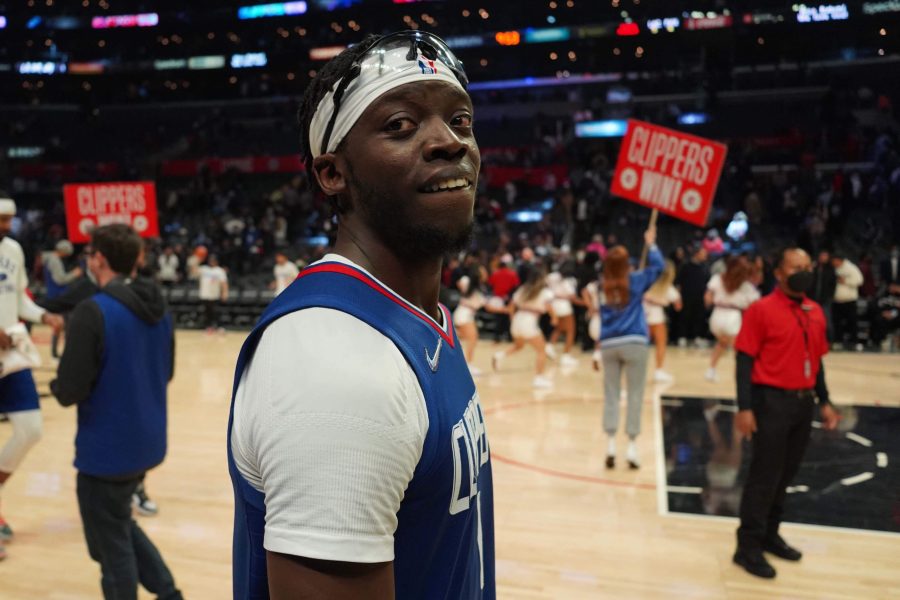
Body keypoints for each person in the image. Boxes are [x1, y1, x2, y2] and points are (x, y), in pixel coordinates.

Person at [228, 31, 494, 599]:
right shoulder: (334, 365)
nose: (448, 142)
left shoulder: (418, 317)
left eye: (461, 121)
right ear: (333, 173)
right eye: (401, 125)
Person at [50, 224, 182, 598]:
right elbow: (167, 372)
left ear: (99, 260)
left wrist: (56, 384)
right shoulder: (160, 308)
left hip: (106, 451)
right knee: (118, 525)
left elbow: (69, 391)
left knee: (111, 551)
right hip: (147, 441)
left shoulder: (93, 310)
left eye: (90, 254)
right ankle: (169, 594)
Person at [732, 247, 840, 579]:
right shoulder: (761, 309)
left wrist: (825, 400)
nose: (803, 272)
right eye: (796, 267)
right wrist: (745, 407)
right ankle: (747, 546)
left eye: (807, 266)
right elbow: (744, 360)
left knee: (786, 474)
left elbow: (816, 360)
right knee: (764, 475)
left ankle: (770, 534)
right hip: (770, 401)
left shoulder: (815, 311)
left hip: (803, 402)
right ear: (779, 273)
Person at [0, 196, 64, 561]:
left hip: (11, 352)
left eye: (9, 220)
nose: (6, 226)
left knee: (31, 429)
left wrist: (43, 315)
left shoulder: (13, 249)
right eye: (1, 220)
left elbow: (18, 300)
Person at [599, 227, 663, 469]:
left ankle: (610, 445)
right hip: (635, 341)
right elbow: (659, 268)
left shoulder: (599, 287)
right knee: (635, 394)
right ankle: (632, 448)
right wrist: (651, 244)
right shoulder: (635, 280)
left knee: (611, 394)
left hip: (608, 344)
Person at [492, 265, 556, 388]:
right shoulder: (545, 292)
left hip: (517, 319)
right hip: (530, 320)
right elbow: (550, 308)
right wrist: (554, 318)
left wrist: (513, 320)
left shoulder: (522, 289)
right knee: (541, 350)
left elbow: (511, 308)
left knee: (519, 346)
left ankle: (499, 356)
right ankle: (539, 378)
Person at [705, 256, 760, 382]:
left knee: (722, 343)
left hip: (717, 314)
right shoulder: (746, 286)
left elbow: (708, 298)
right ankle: (741, 376)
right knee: (739, 349)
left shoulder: (717, 278)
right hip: (733, 317)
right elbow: (755, 304)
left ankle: (711, 370)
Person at [643, 260, 682, 383]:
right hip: (657, 317)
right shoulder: (668, 288)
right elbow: (678, 305)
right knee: (661, 343)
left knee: (641, 345)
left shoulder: (645, 282)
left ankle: (637, 370)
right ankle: (658, 371)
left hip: (642, 315)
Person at [43, 239, 82, 358]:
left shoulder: (49, 258)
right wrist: (75, 274)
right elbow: (60, 279)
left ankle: (56, 352)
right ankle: (63, 352)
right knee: (66, 324)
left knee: (59, 324)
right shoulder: (55, 261)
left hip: (53, 295)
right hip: (59, 296)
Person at [453, 263, 489, 376]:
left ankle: (464, 363)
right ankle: (468, 365)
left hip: (466, 314)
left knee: (466, 339)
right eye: (483, 271)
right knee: (472, 339)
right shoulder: (468, 282)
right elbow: (459, 282)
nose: (485, 273)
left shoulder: (479, 288)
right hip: (463, 314)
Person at [675, 245, 709, 347]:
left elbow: (707, 282)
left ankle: (697, 337)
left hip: (700, 297)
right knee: (684, 316)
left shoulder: (704, 267)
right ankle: (682, 337)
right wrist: (678, 297)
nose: (705, 256)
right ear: (697, 254)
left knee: (699, 317)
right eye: (703, 253)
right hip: (686, 296)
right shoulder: (685, 265)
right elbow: (678, 282)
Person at [546, 268, 580, 367]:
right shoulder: (567, 282)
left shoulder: (551, 276)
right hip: (564, 306)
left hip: (553, 304)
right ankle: (566, 355)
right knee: (571, 331)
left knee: (559, 328)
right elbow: (572, 296)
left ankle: (549, 346)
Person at [831, 252, 864, 350]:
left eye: (835, 261)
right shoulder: (833, 268)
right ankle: (838, 341)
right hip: (836, 300)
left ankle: (854, 342)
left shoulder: (851, 268)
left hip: (849, 300)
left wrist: (845, 281)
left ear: (839, 260)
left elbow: (860, 280)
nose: (834, 263)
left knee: (852, 322)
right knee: (837, 323)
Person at [810, 250, 837, 341]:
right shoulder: (814, 268)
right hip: (812, 298)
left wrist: (830, 296)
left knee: (827, 320)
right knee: (810, 319)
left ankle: (829, 340)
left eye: (825, 256)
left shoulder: (831, 269)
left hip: (825, 299)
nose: (823, 257)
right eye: (822, 255)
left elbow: (833, 285)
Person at [198, 254, 228, 333]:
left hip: (214, 295)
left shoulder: (220, 270)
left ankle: (219, 326)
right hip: (205, 294)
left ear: (216, 261)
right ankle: (208, 327)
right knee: (207, 312)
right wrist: (198, 260)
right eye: (210, 260)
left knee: (215, 312)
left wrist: (224, 293)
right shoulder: (204, 269)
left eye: (213, 260)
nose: (211, 262)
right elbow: (193, 272)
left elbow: (224, 283)